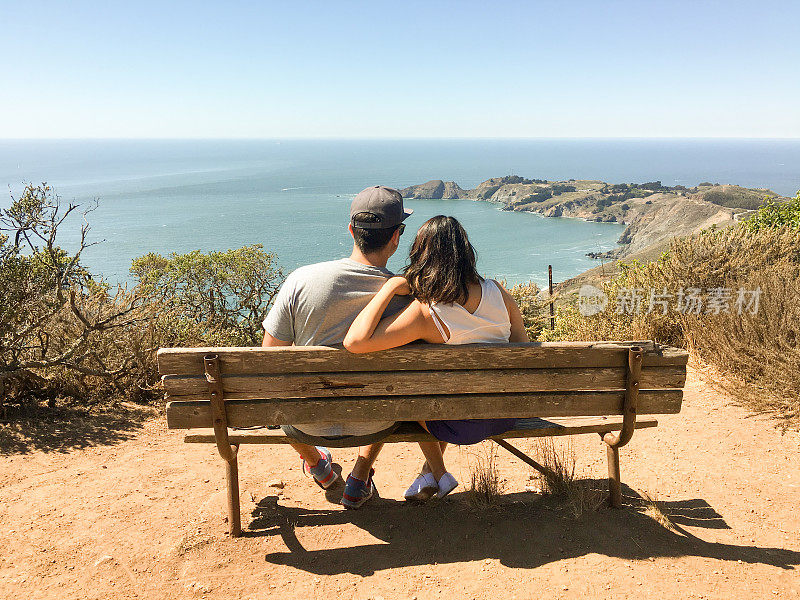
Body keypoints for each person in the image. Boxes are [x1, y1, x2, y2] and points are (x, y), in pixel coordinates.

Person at [343, 215, 529, 501]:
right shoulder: (499, 293)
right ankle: (430, 475)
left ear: (421, 256)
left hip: (460, 426)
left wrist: (391, 287)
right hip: (505, 414)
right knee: (437, 394)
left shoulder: (426, 313)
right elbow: (523, 353)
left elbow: (354, 342)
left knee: (408, 395)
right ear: (466, 252)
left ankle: (438, 473)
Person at [262, 185, 413, 509]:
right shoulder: (406, 296)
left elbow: (269, 361)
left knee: (285, 399)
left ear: (351, 230)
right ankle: (359, 475)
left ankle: (319, 466)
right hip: (377, 421)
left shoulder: (300, 281)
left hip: (305, 421)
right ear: (396, 236)